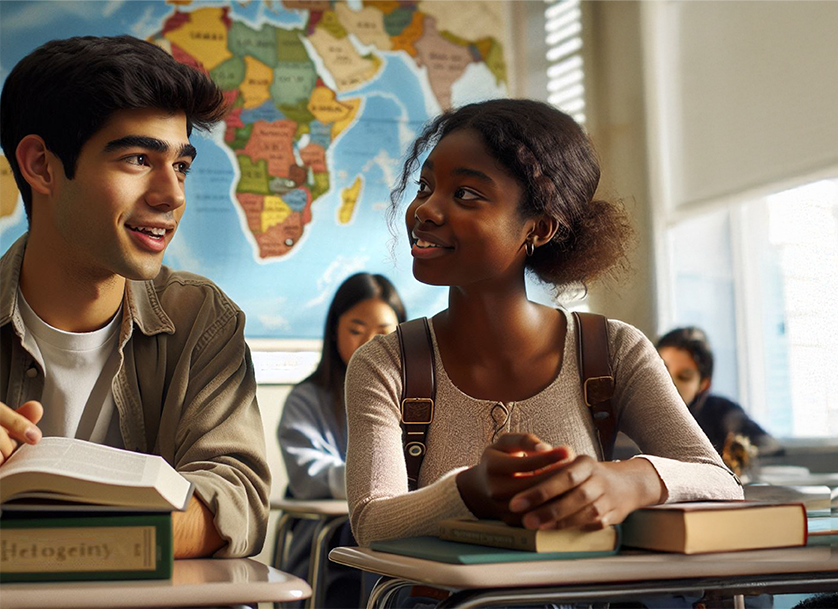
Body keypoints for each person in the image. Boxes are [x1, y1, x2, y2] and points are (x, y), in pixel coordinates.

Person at [343, 99, 742, 551]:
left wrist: (626, 482)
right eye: (425, 186)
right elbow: (371, 522)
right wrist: (471, 491)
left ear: (539, 229)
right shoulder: (384, 363)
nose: (425, 211)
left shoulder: (614, 350)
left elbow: (719, 479)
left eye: (465, 194)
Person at [0, 35, 269, 558]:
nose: (172, 195)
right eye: (138, 159)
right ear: (41, 165)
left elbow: (234, 500)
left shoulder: (203, 319)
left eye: (181, 165)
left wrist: (47, 548)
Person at [276, 273, 405, 608]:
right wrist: (372, 479)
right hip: (326, 551)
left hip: (395, 548)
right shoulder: (306, 398)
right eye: (355, 329)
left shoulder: (415, 399)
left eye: (383, 333)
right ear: (335, 331)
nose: (368, 344)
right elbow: (307, 475)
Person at [656, 326, 780, 473]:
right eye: (662, 372)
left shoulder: (720, 411)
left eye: (684, 377)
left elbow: (767, 445)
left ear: (703, 384)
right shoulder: (632, 410)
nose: (669, 383)